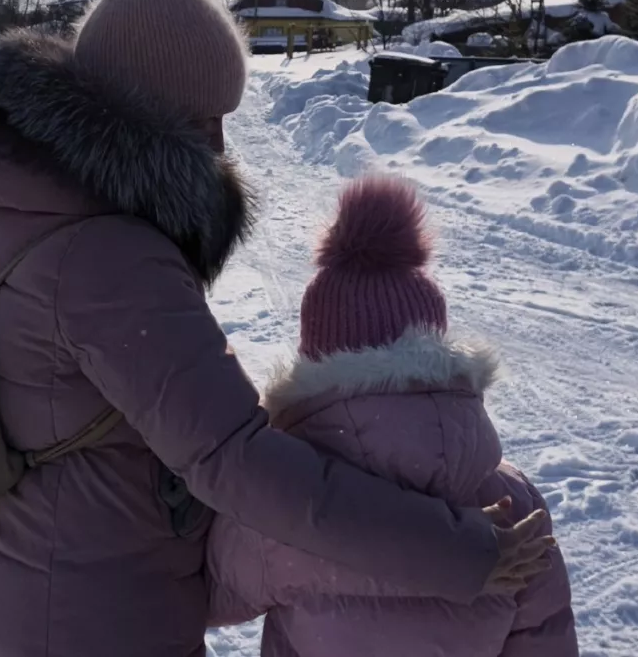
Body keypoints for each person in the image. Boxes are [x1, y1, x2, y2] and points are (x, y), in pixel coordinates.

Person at [0, 0, 555, 653]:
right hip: (92, 619)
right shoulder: (110, 257)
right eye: (200, 118)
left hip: (16, 587)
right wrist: (457, 551)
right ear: (135, 108)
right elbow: (236, 459)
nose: (218, 144)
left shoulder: (19, 204)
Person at [207, 175, 577, 656]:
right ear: (437, 348)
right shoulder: (513, 502)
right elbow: (545, 637)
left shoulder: (280, 504)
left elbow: (205, 595)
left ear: (316, 358)